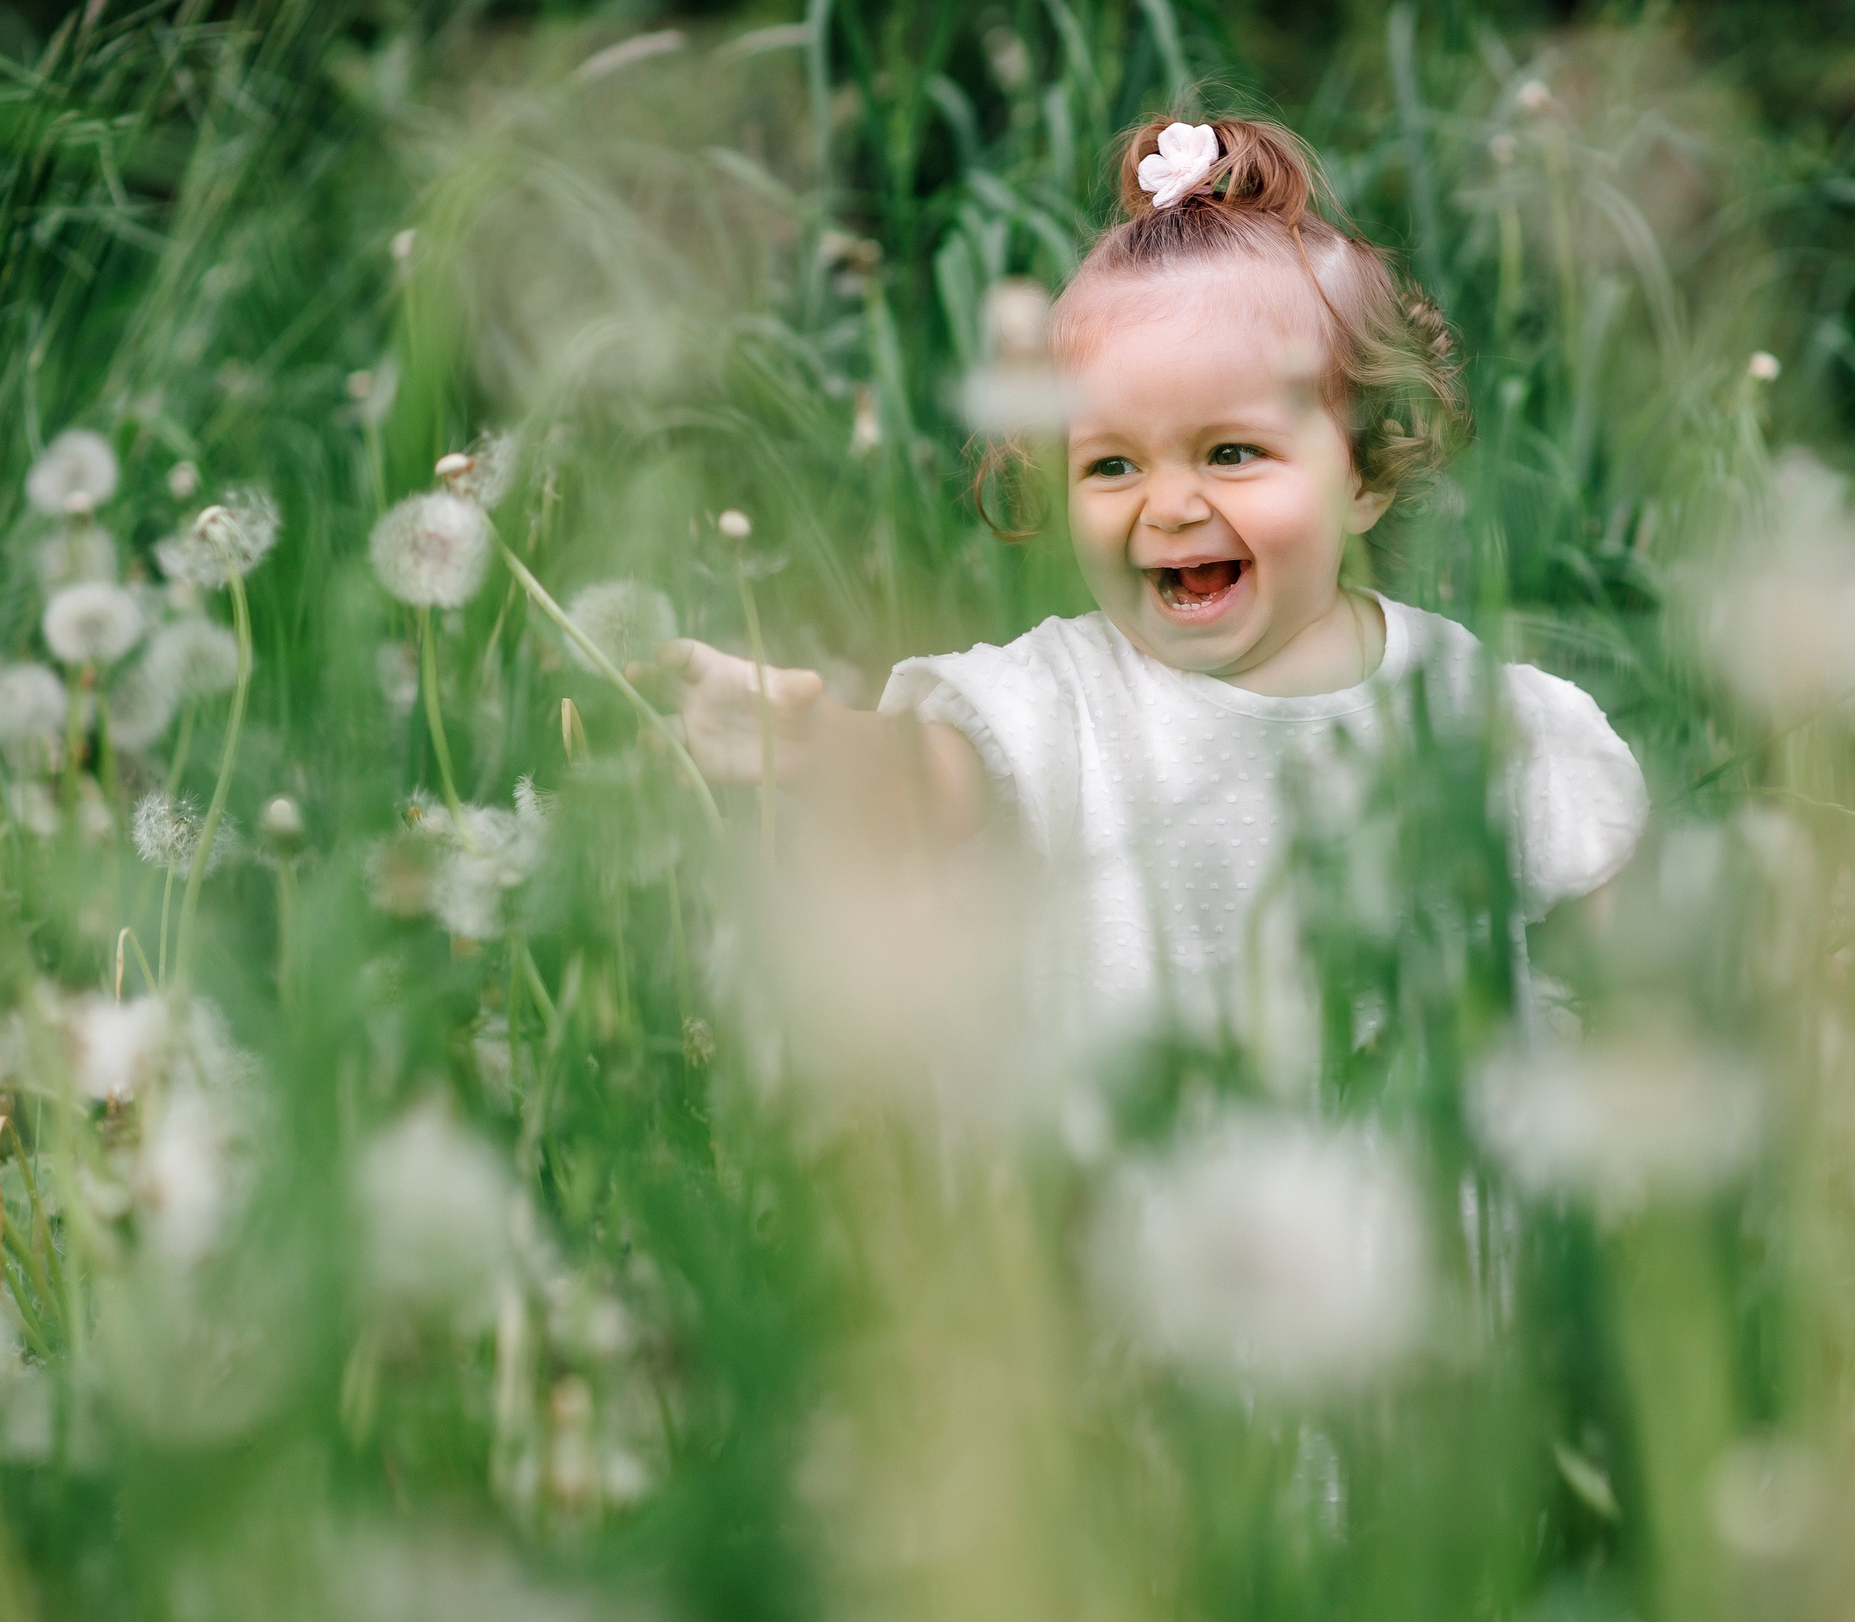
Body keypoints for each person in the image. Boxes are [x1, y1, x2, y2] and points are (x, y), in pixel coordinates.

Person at [643, 116, 1647, 1027]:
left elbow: (1623, 968)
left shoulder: (1476, 713)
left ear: (1365, 474)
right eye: (1112, 464)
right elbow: (930, 785)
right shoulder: (1064, 703)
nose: (1167, 506)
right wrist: (809, 742)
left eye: (1230, 453)